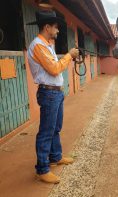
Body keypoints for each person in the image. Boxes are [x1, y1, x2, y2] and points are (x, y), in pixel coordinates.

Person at [27, 10, 79, 184]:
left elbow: (55, 67)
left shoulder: (47, 44)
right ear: (47, 27)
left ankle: (55, 156)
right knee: (46, 131)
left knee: (55, 127)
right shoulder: (38, 46)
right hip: (49, 93)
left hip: (55, 92)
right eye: (55, 27)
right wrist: (69, 56)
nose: (57, 31)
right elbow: (55, 68)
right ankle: (42, 169)